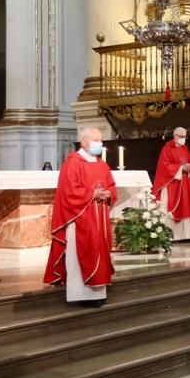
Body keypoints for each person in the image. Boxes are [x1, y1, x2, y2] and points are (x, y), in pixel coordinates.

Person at [43, 129, 116, 307]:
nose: (100, 143)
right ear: (84, 142)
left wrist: (108, 194)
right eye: (96, 140)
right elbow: (69, 191)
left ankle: (98, 291)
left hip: (99, 217)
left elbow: (112, 186)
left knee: (99, 251)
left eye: (101, 140)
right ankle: (82, 295)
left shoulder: (102, 164)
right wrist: (92, 194)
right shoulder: (73, 162)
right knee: (80, 255)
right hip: (80, 218)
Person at [152, 127, 190, 242]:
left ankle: (187, 235)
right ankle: (172, 235)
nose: (183, 139)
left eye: (185, 137)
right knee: (172, 207)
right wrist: (181, 168)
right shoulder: (167, 148)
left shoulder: (185, 148)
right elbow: (164, 166)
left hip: (184, 183)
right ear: (175, 136)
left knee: (185, 206)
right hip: (172, 183)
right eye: (181, 137)